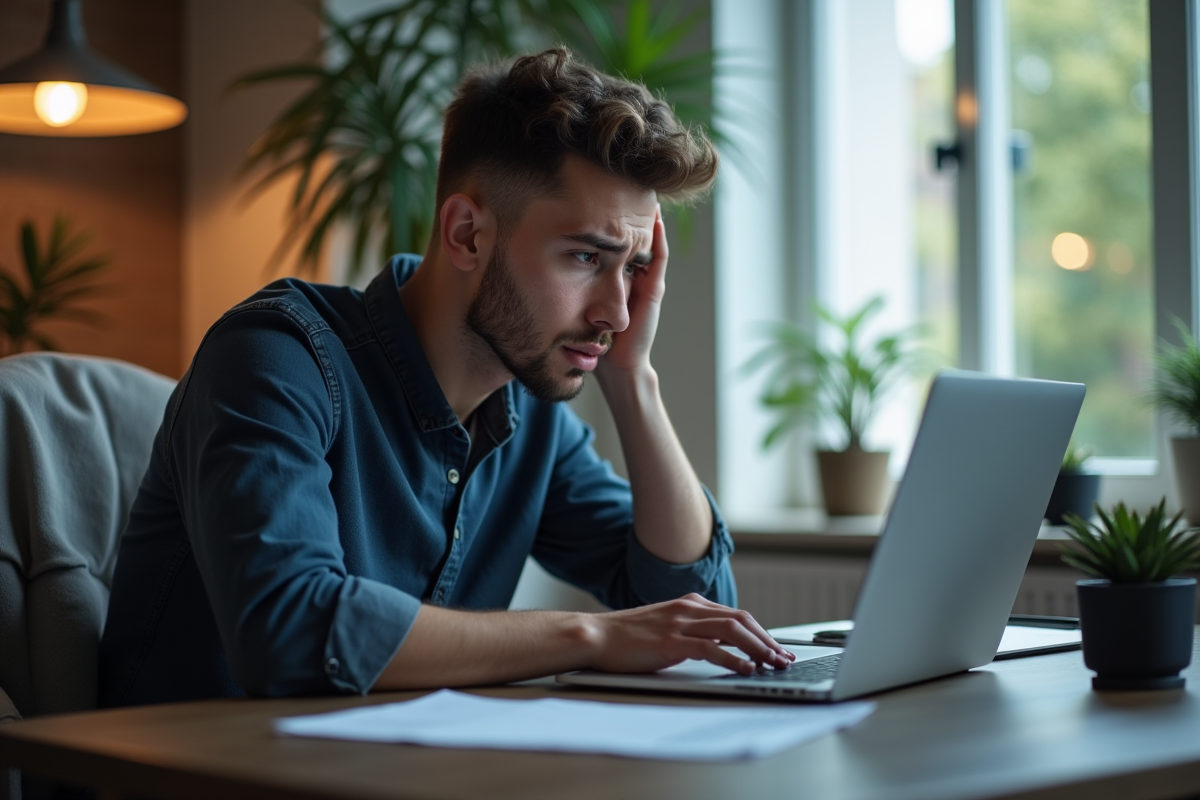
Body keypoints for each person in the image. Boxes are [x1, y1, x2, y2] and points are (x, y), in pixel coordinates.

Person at [99, 47, 792, 706]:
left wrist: (634, 377)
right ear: (467, 234)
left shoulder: (531, 413)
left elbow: (691, 603)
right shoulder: (277, 357)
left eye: (634, 269)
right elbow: (290, 630)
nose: (617, 309)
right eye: (586, 257)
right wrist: (589, 635)